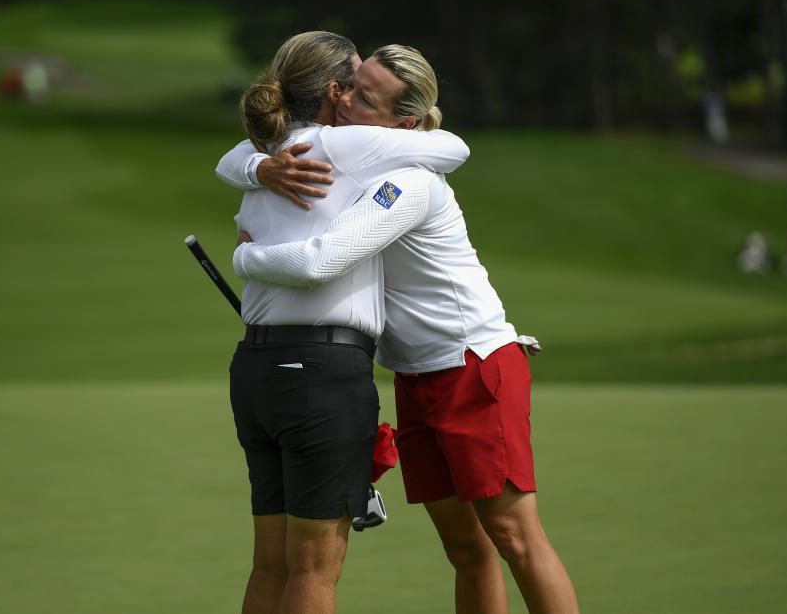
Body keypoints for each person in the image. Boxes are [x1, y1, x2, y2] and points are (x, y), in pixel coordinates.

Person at [224, 45, 580, 614]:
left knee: (514, 539)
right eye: (348, 85)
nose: (345, 101)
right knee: (467, 548)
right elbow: (247, 150)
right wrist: (257, 165)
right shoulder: (344, 157)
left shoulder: (409, 180)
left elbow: (324, 259)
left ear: (403, 124)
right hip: (415, 377)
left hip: (472, 365)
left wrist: (248, 258)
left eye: (364, 97)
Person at [223, 31, 471, 614]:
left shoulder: (262, 156)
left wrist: (257, 166)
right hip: (322, 374)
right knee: (313, 569)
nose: (361, 94)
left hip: (256, 370)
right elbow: (453, 148)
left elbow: (232, 160)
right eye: (356, 82)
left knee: (271, 564)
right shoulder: (352, 146)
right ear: (334, 92)